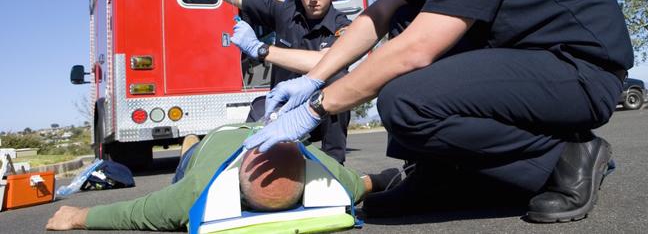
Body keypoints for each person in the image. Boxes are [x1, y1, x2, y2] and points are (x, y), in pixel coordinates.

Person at [242, 0, 633, 223]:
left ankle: (564, 158)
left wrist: (318, 106)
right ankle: (439, 175)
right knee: (403, 19)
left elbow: (417, 49)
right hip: (534, 66)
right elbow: (380, 12)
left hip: (580, 74)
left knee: (404, 100)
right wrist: (314, 78)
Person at [44, 123, 399, 231]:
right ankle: (188, 143)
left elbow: (363, 183)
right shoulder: (198, 188)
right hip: (211, 147)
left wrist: (383, 180)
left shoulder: (318, 167)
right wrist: (76, 217)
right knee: (186, 160)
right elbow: (136, 212)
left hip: (257, 130)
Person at [213, 0, 353, 164]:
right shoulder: (283, 8)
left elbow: (331, 61)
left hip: (321, 111)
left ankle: (334, 165)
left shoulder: (343, 26)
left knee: (338, 78)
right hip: (280, 109)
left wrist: (261, 49)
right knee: (252, 135)